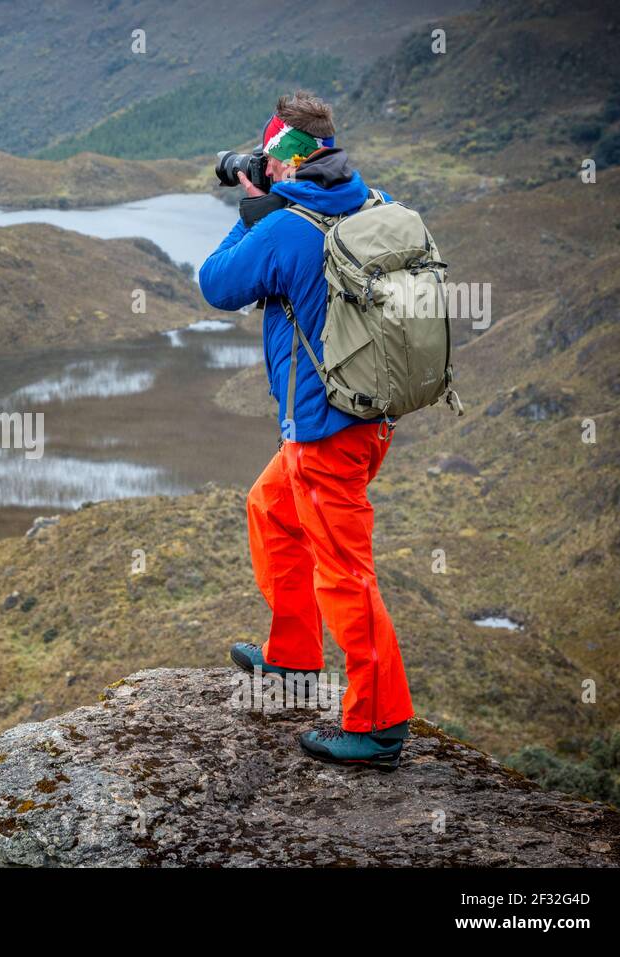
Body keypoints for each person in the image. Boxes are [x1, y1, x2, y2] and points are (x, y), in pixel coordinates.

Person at [198, 91, 412, 770]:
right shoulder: (363, 199)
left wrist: (249, 209)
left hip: (327, 433)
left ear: (287, 158)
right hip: (362, 421)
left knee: (345, 574)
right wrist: (273, 196)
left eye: (268, 156)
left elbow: (216, 283)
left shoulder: (289, 227)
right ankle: (292, 657)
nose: (260, 166)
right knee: (269, 508)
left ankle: (379, 723)